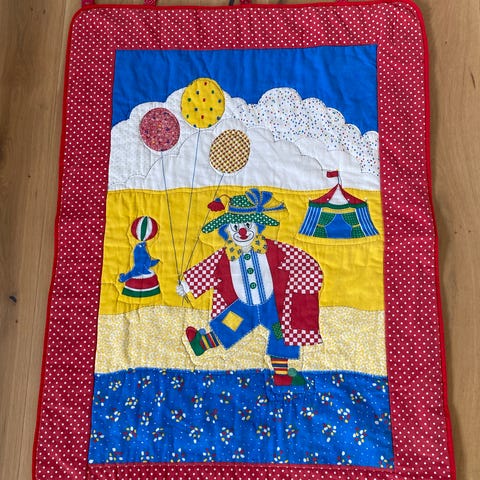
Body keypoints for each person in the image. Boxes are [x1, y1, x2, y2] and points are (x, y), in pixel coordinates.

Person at [176, 189, 323, 386]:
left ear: (256, 226)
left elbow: (298, 259)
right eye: (236, 227)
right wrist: (188, 284)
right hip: (241, 304)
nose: (242, 231)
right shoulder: (224, 255)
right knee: (229, 327)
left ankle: (281, 375)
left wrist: (308, 278)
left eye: (247, 225)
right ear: (227, 230)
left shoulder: (273, 248)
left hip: (272, 304)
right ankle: (201, 344)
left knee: (281, 333)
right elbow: (207, 268)